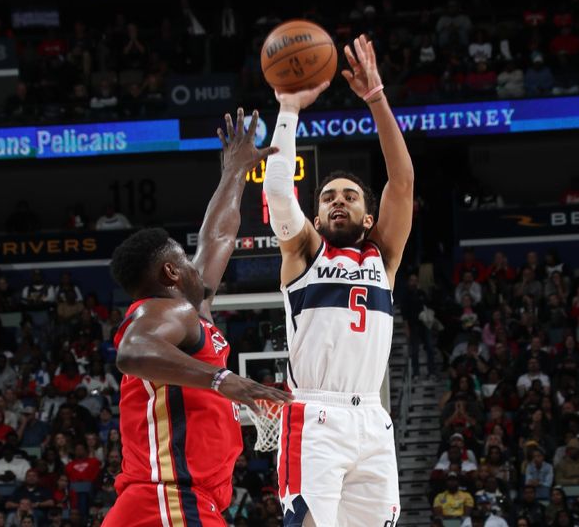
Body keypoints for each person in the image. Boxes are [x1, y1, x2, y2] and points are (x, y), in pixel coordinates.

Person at [102, 108, 292, 527]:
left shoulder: (191, 310)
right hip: (167, 500)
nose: (195, 263)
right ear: (170, 273)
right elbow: (131, 352)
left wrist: (235, 172)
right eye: (184, 259)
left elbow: (219, 235)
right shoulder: (164, 311)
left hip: (175, 503)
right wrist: (223, 379)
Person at [263, 34, 414, 526]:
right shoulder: (305, 251)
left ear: (368, 217)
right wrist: (288, 109)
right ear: (319, 213)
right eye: (328, 196)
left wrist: (376, 98)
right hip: (313, 417)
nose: (338, 201)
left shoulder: (383, 257)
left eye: (350, 196)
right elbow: (279, 193)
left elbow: (403, 182)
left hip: (371, 418)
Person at [402, 273, 437, 381]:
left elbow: (429, 306)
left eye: (415, 280)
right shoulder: (405, 295)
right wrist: (406, 328)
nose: (414, 282)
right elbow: (404, 315)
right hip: (413, 326)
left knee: (430, 348)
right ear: (408, 282)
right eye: (411, 280)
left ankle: (431, 372)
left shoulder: (422, 293)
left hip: (424, 325)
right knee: (415, 350)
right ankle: (415, 373)